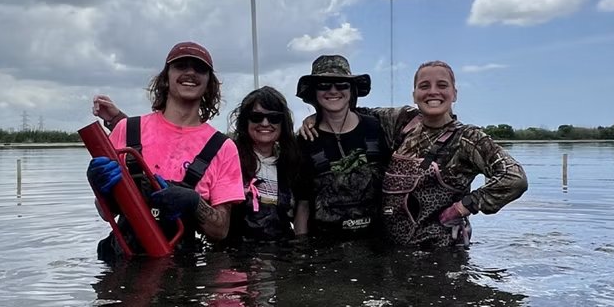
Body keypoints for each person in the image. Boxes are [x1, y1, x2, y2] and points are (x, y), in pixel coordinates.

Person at [305, 60, 527, 250]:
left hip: (443, 255)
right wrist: (313, 119)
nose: (433, 92)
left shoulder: (468, 138)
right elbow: (342, 110)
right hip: (392, 252)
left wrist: (464, 206)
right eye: (424, 86)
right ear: (414, 94)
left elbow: (513, 178)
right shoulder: (400, 121)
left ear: (454, 93)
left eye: (442, 85)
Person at [87, 42, 244, 259]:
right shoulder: (127, 130)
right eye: (181, 66)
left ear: (210, 83)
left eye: (199, 68)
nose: (190, 72)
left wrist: (194, 203)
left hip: (182, 270)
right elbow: (106, 214)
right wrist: (101, 190)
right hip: (123, 263)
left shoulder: (223, 147)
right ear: (166, 77)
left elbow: (220, 230)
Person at [291, 55, 390, 239]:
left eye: (341, 84)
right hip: (325, 251)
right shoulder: (305, 140)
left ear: (351, 90)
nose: (333, 90)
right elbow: (302, 203)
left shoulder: (377, 127)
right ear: (314, 92)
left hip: (377, 247)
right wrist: (300, 250)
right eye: (324, 85)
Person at [227, 86, 300, 243]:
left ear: (283, 123)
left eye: (274, 118)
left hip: (281, 258)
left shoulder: (292, 163)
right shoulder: (228, 159)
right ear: (245, 121)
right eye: (256, 117)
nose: (265, 123)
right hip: (237, 258)